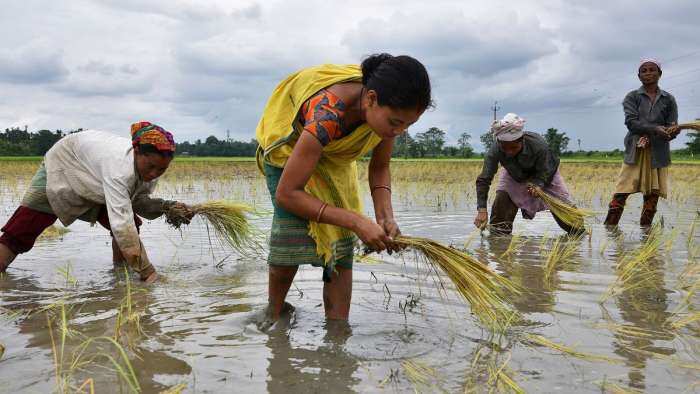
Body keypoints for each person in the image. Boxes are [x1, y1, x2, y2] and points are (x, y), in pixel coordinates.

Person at [255, 53, 432, 322]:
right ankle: (273, 314)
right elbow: (287, 194)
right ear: (371, 99)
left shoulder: (385, 122)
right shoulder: (328, 112)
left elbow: (380, 167)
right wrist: (356, 221)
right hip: (290, 155)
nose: (400, 131)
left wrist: (385, 217)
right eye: (396, 123)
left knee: (341, 252)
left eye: (408, 125)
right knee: (288, 242)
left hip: (335, 160)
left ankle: (338, 332)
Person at [0, 122, 193, 283]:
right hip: (65, 164)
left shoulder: (149, 170)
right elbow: (122, 226)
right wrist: (148, 272)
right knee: (23, 229)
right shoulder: (119, 169)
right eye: (150, 166)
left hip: (97, 177)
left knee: (130, 225)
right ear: (136, 151)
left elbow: (138, 201)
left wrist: (167, 207)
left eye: (161, 170)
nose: (153, 174)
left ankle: (121, 278)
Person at [473, 113, 582, 235]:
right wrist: (482, 210)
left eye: (513, 148)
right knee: (501, 205)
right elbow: (484, 179)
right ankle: (498, 242)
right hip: (514, 175)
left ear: (522, 141)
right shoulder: (495, 150)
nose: (509, 153)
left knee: (572, 222)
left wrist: (538, 183)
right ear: (499, 143)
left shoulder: (539, 145)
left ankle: (578, 232)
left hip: (544, 174)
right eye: (505, 148)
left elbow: (547, 168)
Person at [603, 58, 680, 226]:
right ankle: (609, 229)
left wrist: (673, 131)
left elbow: (671, 127)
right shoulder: (632, 97)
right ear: (639, 76)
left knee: (652, 197)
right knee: (621, 192)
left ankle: (646, 234)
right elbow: (631, 123)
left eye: (652, 70)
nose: (648, 73)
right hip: (636, 150)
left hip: (658, 152)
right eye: (644, 70)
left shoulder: (669, 99)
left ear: (660, 74)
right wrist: (655, 129)